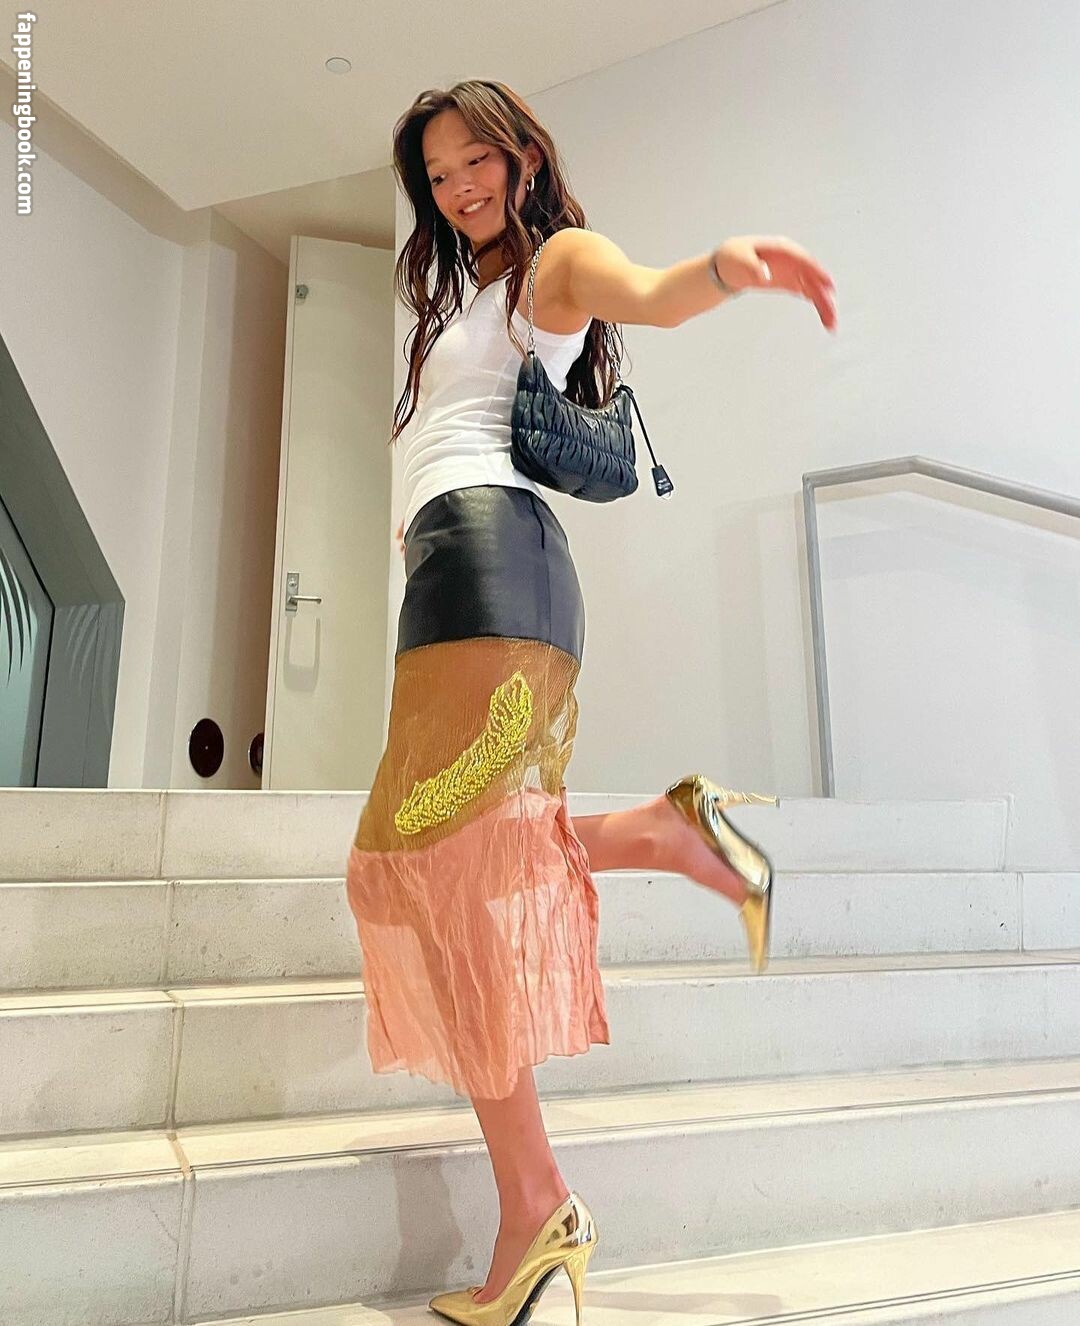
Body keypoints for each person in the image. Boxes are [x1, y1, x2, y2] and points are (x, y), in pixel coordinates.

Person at [345, 79, 837, 1326]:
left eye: (475, 161)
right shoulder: (459, 295)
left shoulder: (553, 262)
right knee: (421, 866)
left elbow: (648, 290)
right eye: (437, 175)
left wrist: (721, 270)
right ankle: (663, 834)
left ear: (521, 157)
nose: (458, 188)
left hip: (490, 576)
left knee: (418, 869)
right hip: (460, 579)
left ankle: (537, 1203)